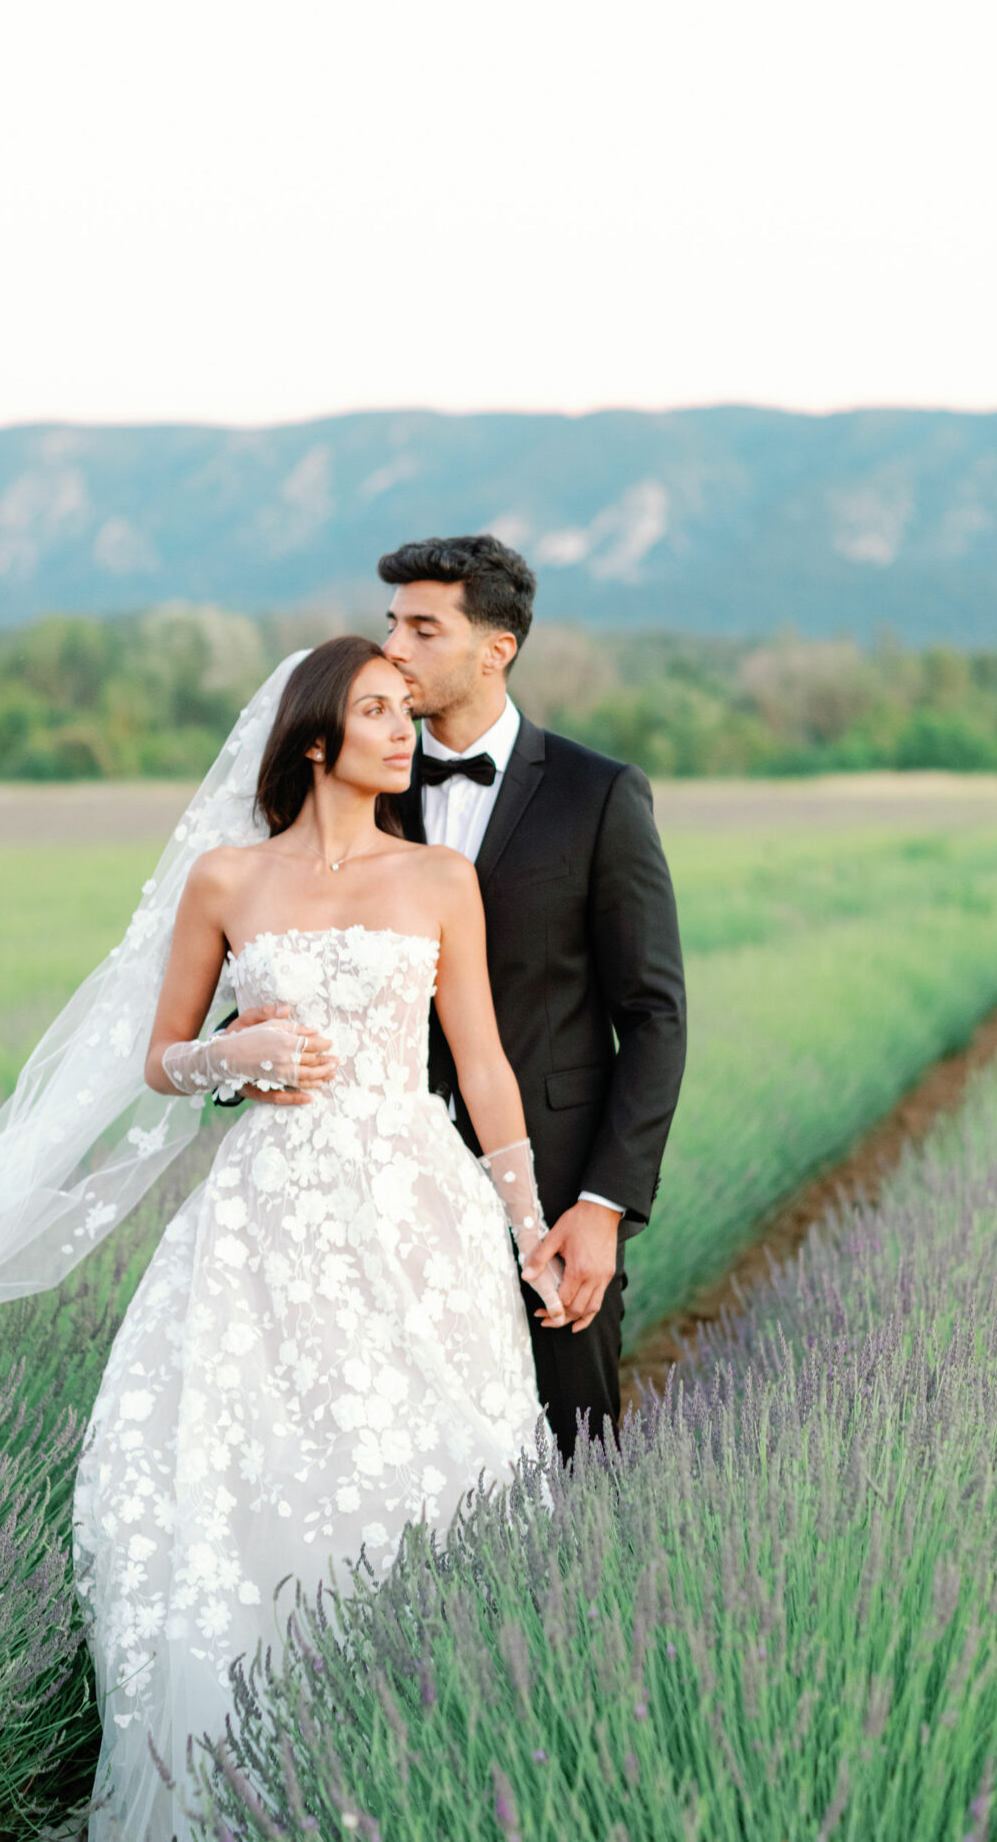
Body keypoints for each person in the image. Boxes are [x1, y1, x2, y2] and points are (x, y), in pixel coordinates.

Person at [71, 635, 567, 1838]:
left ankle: (421, 1768)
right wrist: (231, 1057)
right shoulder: (229, 882)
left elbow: (486, 1065)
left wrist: (529, 1227)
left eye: (410, 711)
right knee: (251, 1463)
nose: (408, 732)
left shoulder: (440, 881)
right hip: (266, 1216)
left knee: (421, 1462)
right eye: (381, 713)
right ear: (312, 740)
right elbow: (163, 1056)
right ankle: (248, 1768)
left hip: (414, 1207)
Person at [236, 537, 688, 1459]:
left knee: (573, 1456)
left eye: (422, 627)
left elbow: (653, 1018)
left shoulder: (598, 797)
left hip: (551, 1192)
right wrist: (234, 1061)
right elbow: (268, 963)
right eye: (391, 624)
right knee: (376, 1453)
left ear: (496, 649)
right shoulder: (357, 784)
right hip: (366, 1197)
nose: (394, 647)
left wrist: (602, 1207)